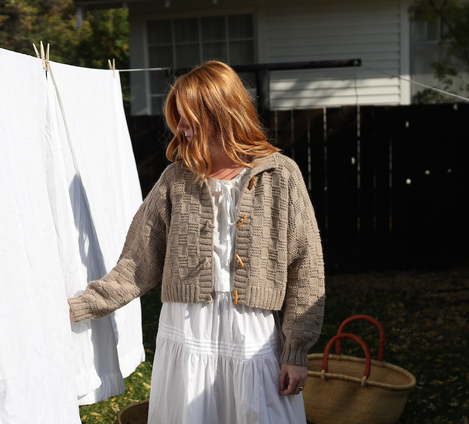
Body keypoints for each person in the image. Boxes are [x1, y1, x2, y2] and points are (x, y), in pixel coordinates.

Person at [68, 60, 324, 424]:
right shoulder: (175, 179)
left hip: (251, 331)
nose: (181, 128)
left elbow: (306, 267)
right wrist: (82, 306)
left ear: (221, 112)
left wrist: (296, 351)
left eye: (188, 117)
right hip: (186, 329)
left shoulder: (280, 176)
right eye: (178, 118)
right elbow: (139, 260)